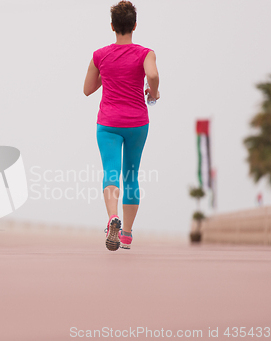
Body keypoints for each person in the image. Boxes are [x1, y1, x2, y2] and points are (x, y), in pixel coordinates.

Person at [83, 1, 160, 251]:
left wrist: (109, 74)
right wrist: (153, 93)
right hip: (137, 122)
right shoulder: (146, 53)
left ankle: (111, 218)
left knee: (111, 172)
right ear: (134, 25)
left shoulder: (100, 55)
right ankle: (126, 234)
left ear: (112, 26)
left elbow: (87, 90)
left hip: (108, 123)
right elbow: (153, 75)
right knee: (131, 175)